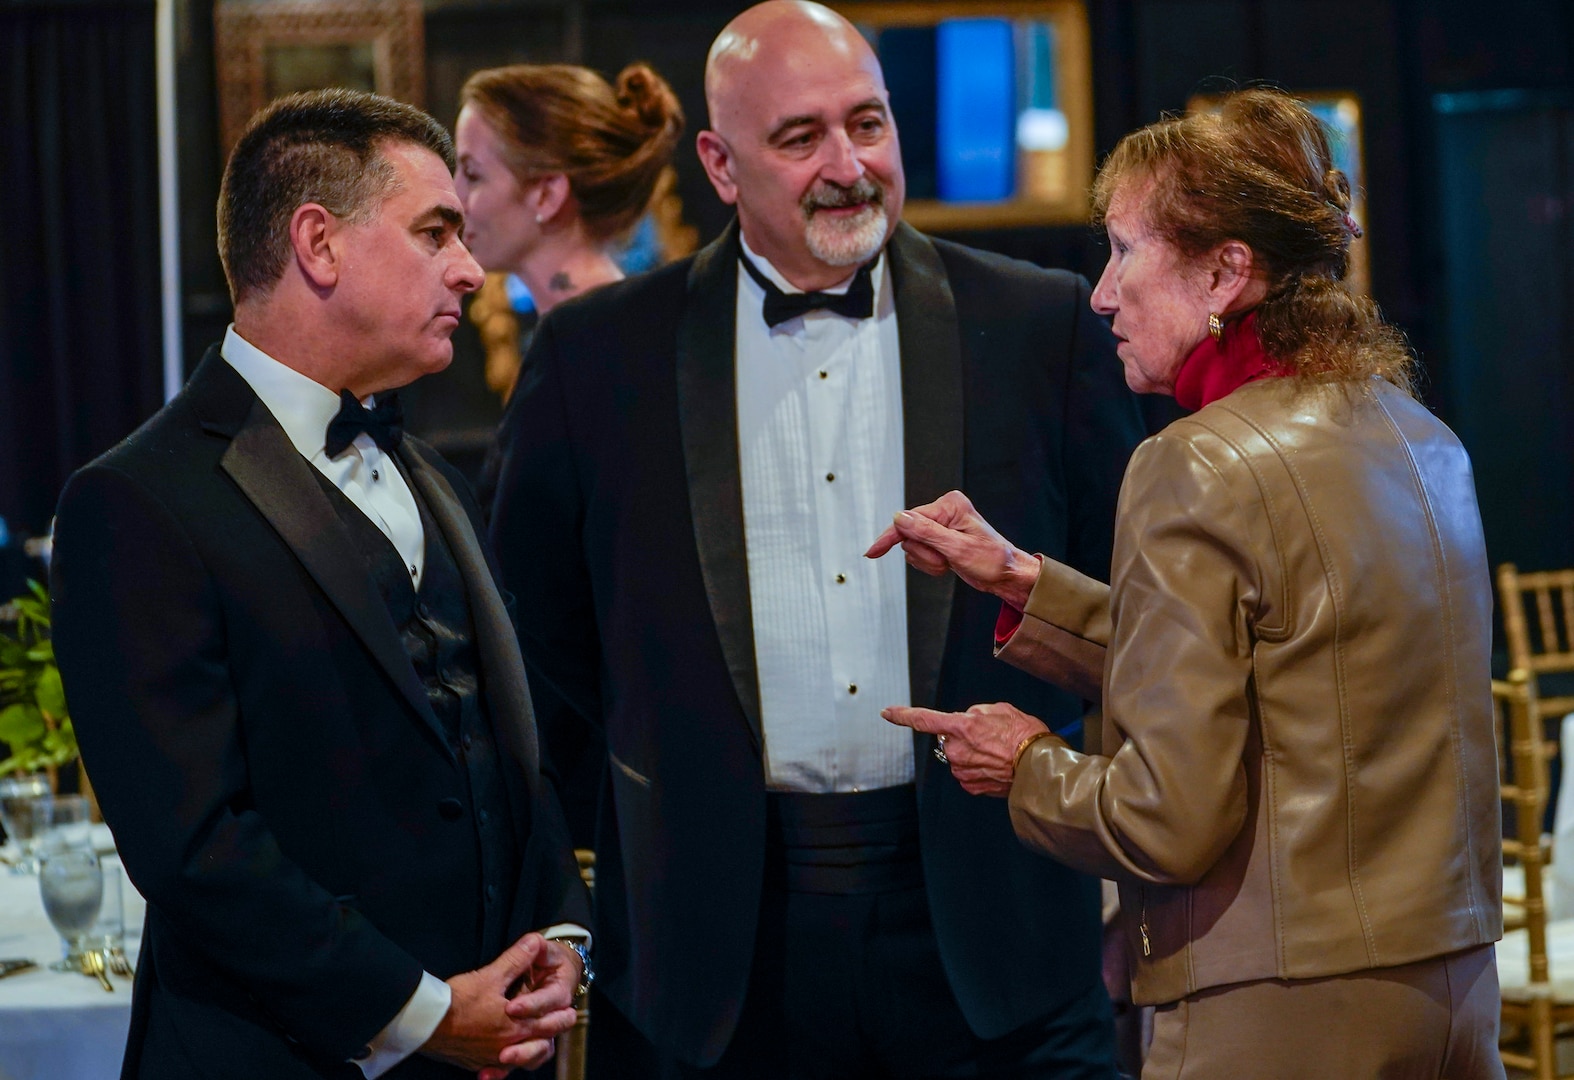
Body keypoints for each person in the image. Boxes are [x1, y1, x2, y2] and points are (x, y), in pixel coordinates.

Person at [488, 3, 1147, 1076]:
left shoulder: (1040, 327)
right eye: (799, 139)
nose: (848, 166)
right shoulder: (593, 358)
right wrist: (660, 785)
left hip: (1001, 930)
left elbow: (1130, 617)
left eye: (868, 125)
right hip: (711, 949)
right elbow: (540, 635)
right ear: (719, 161)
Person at [874, 88, 1504, 1078]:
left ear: (1224, 273)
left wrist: (1025, 764)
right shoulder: (1421, 438)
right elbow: (1284, 675)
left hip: (1275, 1009)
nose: (1099, 292)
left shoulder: (1192, 462)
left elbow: (1166, 820)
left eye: (1123, 250)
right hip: (1452, 993)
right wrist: (1021, 580)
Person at [50, 89, 591, 1080]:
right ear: (319, 242)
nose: (471, 270)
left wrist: (561, 930)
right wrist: (419, 1012)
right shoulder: (135, 502)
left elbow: (511, 750)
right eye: (435, 232)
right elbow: (196, 848)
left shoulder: (435, 478)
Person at [454, 61, 683, 319]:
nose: (454, 198)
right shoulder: (586, 325)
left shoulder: (598, 335)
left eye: (473, 175)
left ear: (548, 195)